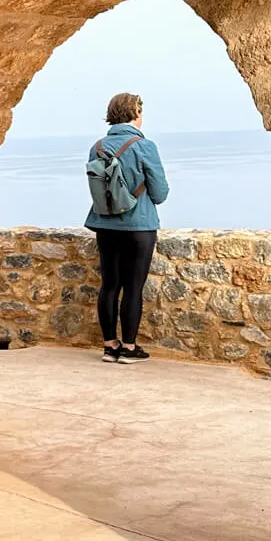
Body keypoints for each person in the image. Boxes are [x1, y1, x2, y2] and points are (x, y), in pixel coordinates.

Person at [85, 92, 169, 364]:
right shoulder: (144, 146)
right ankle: (130, 348)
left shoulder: (97, 147)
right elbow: (159, 192)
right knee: (133, 288)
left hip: (104, 224)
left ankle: (110, 346)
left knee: (109, 285)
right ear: (135, 114)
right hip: (138, 225)